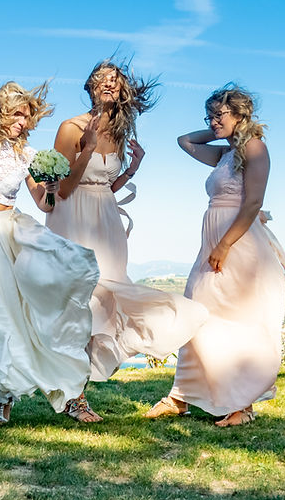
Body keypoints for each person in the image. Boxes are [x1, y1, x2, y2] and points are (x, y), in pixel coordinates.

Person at [45, 60, 208, 419]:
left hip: (107, 221)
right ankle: (71, 394)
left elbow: (106, 185)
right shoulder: (69, 127)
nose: (108, 85)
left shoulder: (118, 131)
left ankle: (78, 392)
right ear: (89, 86)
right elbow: (63, 191)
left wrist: (133, 168)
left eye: (115, 82)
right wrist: (85, 149)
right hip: (72, 219)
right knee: (78, 304)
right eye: (102, 80)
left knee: (105, 303)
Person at [0, 81, 99, 426]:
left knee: (1, 315)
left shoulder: (28, 155)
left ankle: (4, 400)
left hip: (3, 233)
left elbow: (44, 204)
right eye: (18, 115)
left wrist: (50, 188)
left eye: (27, 117)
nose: (22, 123)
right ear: (3, 112)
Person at [145, 84, 285, 427]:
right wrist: (218, 129)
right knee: (197, 309)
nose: (212, 120)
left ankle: (242, 405)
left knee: (236, 317)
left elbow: (252, 203)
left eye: (219, 114)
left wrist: (224, 245)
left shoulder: (255, 148)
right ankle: (183, 396)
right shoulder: (225, 153)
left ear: (240, 114)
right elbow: (185, 141)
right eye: (208, 115)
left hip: (238, 242)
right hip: (212, 239)